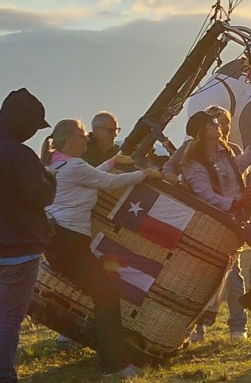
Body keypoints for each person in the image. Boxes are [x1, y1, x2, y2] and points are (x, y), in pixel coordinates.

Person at [45, 118, 158, 378]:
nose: (87, 139)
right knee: (107, 297)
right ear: (68, 140)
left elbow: (94, 175)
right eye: (82, 134)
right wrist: (145, 174)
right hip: (70, 244)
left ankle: (112, 358)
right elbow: (107, 182)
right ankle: (115, 365)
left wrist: (114, 162)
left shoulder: (57, 164)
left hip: (60, 243)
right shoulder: (73, 166)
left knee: (103, 296)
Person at [0, 88, 56, 383]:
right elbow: (39, 196)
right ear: (22, 122)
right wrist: (50, 176)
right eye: (33, 125)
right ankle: (1, 376)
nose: (32, 132)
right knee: (8, 321)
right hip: (20, 250)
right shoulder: (19, 154)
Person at [183, 107, 251, 329]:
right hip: (219, 224)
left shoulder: (224, 152)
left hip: (240, 218)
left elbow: (238, 166)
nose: (217, 125)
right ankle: (193, 326)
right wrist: (236, 202)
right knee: (208, 280)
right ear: (202, 131)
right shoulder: (193, 163)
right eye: (212, 123)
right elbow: (205, 196)